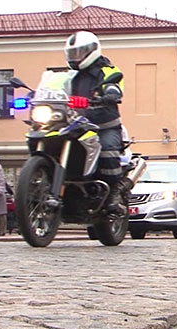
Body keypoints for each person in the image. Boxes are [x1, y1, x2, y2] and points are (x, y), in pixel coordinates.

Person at [64, 31, 131, 215]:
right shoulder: (69, 77)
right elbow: (56, 89)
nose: (76, 57)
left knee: (107, 149)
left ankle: (114, 194)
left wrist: (111, 93)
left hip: (104, 125)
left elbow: (114, 84)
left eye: (80, 52)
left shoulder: (109, 71)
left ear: (92, 51)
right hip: (75, 124)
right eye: (73, 53)